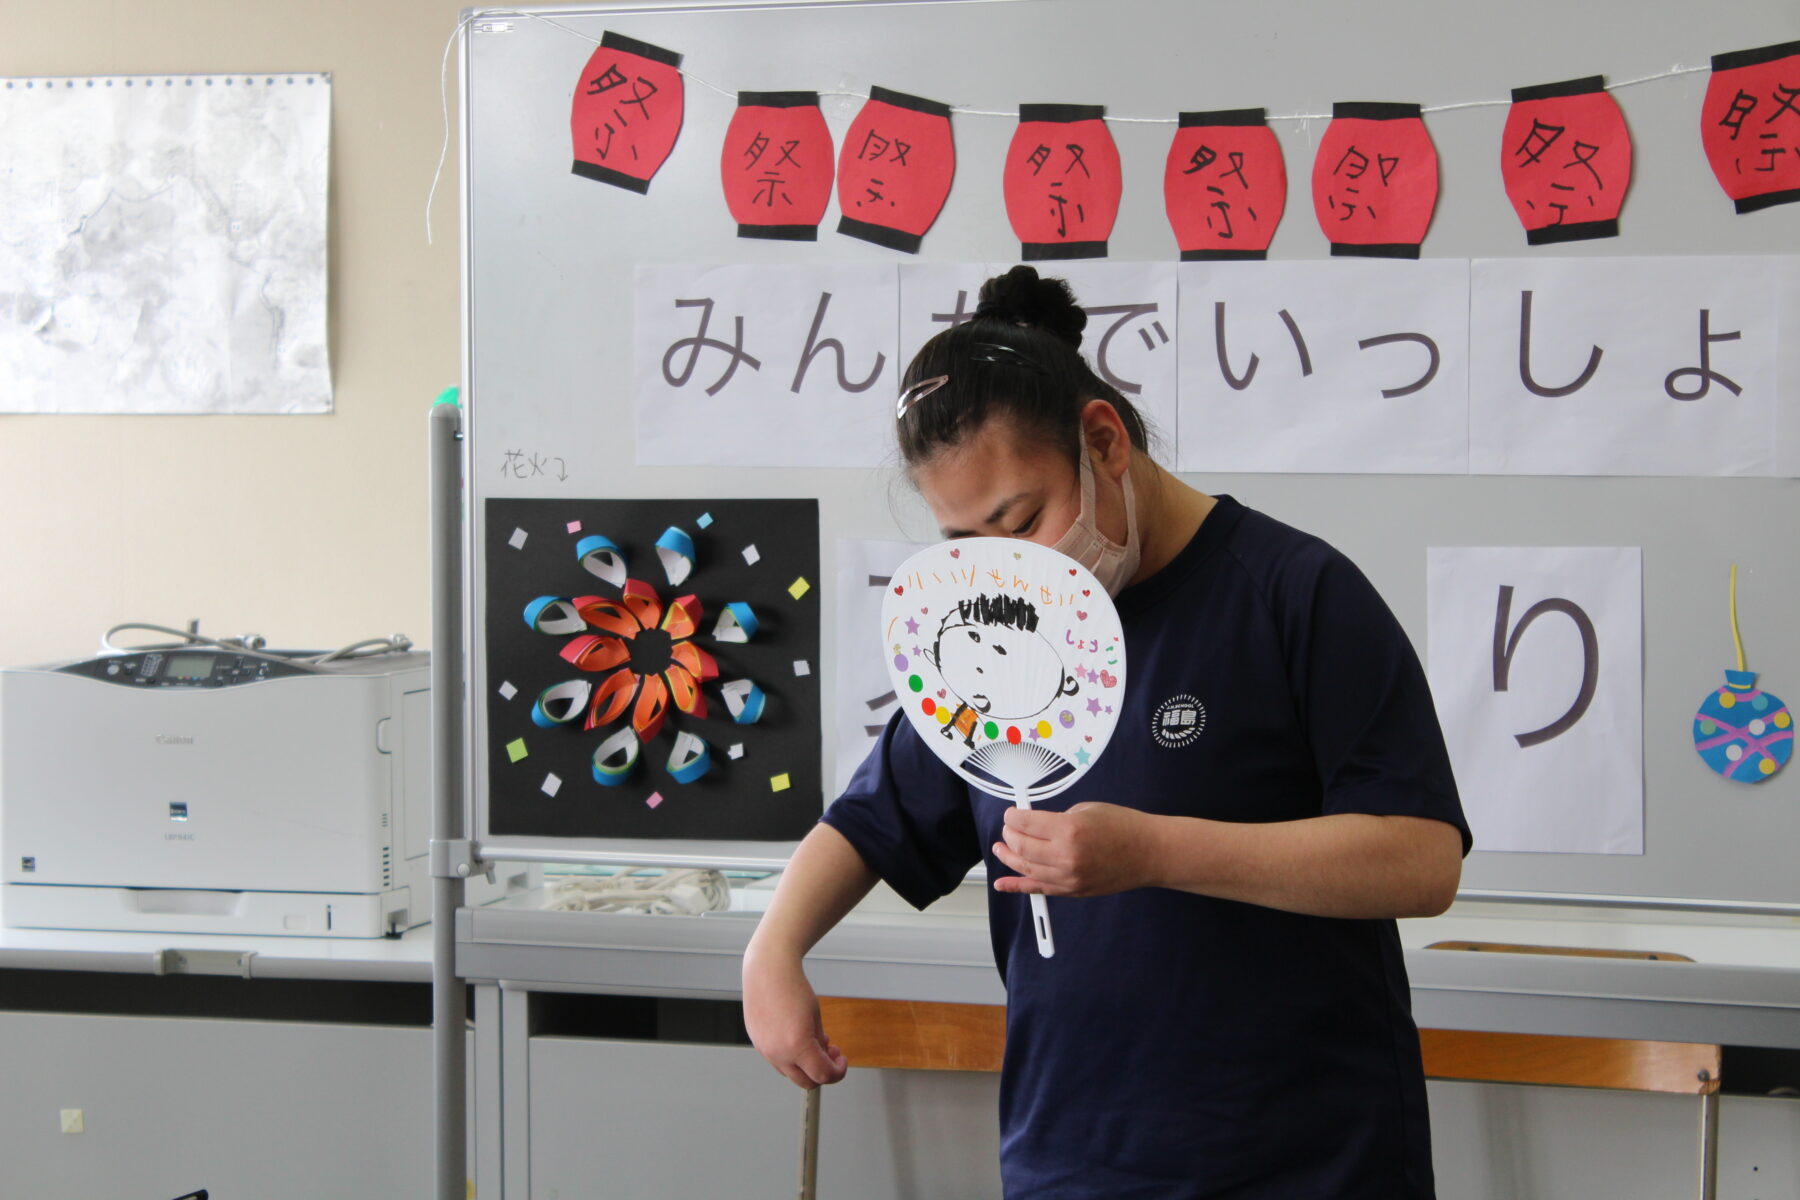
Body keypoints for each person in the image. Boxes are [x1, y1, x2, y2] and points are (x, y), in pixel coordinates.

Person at [742, 266, 1471, 1199]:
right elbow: (875, 816)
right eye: (967, 545)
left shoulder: (1293, 594)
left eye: (1022, 521)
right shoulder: (999, 631)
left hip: (1308, 1161)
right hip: (1075, 1159)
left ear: (1103, 441)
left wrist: (1156, 851)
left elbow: (1420, 859)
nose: (1003, 570)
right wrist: (774, 950)